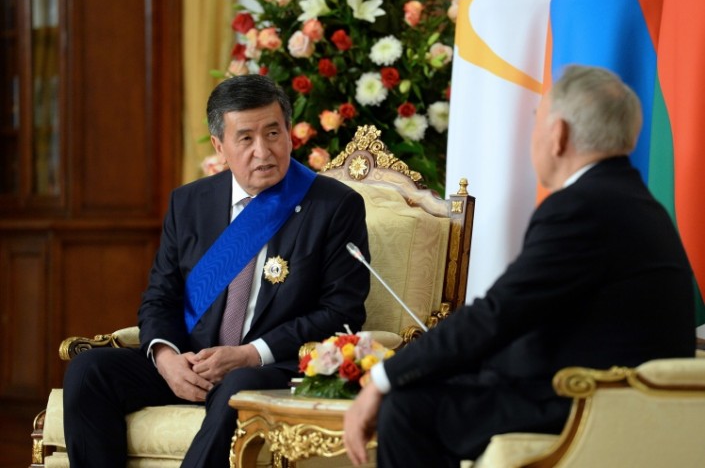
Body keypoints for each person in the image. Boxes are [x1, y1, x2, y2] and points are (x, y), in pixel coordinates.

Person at [343, 65, 696, 467]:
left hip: (588, 404)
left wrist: (384, 378)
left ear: (558, 134)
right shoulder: (640, 205)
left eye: (537, 121)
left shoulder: (581, 207)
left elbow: (498, 315)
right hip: (626, 399)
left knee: (408, 409)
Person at [63, 74, 371, 468]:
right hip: (193, 363)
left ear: (289, 132)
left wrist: (248, 355)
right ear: (219, 146)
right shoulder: (189, 203)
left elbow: (341, 312)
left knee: (238, 387)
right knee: (89, 371)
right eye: (246, 138)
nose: (263, 151)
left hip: (269, 367)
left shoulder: (334, 206)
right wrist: (167, 358)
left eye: (273, 133)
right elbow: (160, 297)